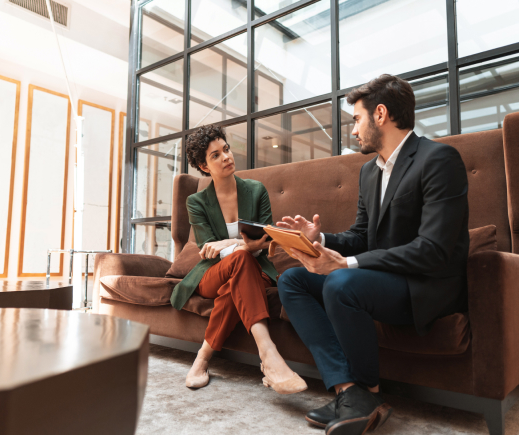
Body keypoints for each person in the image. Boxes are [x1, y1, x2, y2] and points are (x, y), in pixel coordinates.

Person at [277, 74, 469, 435]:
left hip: (423, 285)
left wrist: (345, 263)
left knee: (340, 283)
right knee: (293, 280)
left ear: (380, 114)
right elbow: (363, 236)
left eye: (356, 119)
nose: (353, 131)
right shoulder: (369, 172)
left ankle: (369, 391)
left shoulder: (439, 159)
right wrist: (321, 237)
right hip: (378, 280)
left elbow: (434, 250)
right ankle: (351, 392)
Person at [171, 125, 307, 394]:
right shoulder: (196, 202)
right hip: (213, 273)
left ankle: (203, 358)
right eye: (215, 155)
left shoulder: (256, 190)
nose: (226, 157)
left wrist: (231, 243)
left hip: (256, 268)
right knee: (240, 261)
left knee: (238, 277)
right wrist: (241, 245)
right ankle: (268, 354)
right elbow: (209, 250)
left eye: (226, 149)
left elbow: (267, 239)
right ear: (204, 165)